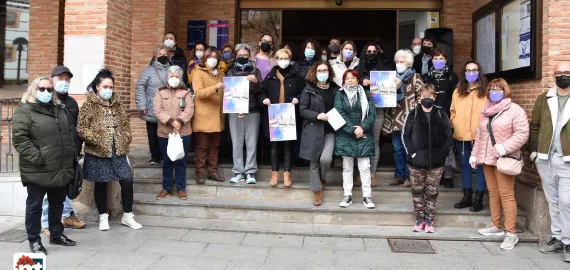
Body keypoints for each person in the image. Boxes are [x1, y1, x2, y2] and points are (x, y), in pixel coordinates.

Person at [13, 77, 77, 254]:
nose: (46, 92)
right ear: (34, 89)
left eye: (50, 90)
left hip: (60, 167)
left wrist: (72, 156)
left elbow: (68, 136)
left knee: (57, 204)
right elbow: (20, 139)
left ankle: (56, 234)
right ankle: (34, 239)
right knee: (35, 206)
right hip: (37, 168)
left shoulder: (60, 110)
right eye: (42, 89)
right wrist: (37, 157)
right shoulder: (24, 110)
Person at [78, 69, 142, 231]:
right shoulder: (89, 104)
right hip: (98, 150)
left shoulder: (118, 103)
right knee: (101, 183)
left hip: (118, 149)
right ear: (97, 87)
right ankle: (103, 217)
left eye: (111, 87)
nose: (109, 90)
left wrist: (126, 137)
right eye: (105, 86)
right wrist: (96, 140)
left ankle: (128, 216)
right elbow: (82, 128)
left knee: (127, 180)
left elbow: (126, 124)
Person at [470, 78, 529, 250]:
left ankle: (511, 233)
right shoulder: (486, 110)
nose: (494, 92)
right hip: (488, 159)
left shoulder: (514, 110)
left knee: (507, 195)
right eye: (492, 89)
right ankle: (496, 226)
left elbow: (522, 133)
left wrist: (504, 147)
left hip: (504, 158)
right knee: (493, 194)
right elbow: (480, 135)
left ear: (505, 91)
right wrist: (474, 155)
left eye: (498, 89)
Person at [530, 62, 570, 261]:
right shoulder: (543, 99)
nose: (563, 76)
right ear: (553, 75)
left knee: (566, 201)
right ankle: (557, 237)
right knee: (553, 200)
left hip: (567, 160)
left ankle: (568, 241)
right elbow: (534, 126)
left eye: (567, 73)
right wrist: (534, 153)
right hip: (546, 159)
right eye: (559, 73)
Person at [41, 66, 86, 238]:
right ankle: (46, 222)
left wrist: (78, 147)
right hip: (53, 153)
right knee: (50, 189)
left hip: (71, 151)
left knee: (67, 185)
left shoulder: (72, 103)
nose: (64, 82)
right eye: (60, 78)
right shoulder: (46, 101)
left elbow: (76, 127)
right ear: (51, 79)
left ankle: (67, 216)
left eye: (67, 79)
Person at [403, 84, 452, 233]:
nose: (426, 99)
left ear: (434, 97)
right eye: (424, 96)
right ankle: (419, 219)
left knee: (432, 192)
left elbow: (448, 136)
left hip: (436, 162)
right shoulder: (413, 114)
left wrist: (443, 154)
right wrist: (412, 153)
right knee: (417, 191)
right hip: (417, 162)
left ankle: (429, 219)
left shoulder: (441, 114)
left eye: (429, 96)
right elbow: (405, 136)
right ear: (420, 98)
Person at [259, 48, 304, 187]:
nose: (283, 61)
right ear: (276, 60)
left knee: (287, 146)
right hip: (274, 114)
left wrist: (298, 98)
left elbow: (304, 91)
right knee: (274, 146)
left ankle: (287, 174)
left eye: (286, 58)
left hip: (289, 115)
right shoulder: (271, 75)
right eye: (280, 58)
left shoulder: (296, 76)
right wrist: (264, 99)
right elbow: (261, 91)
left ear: (290, 59)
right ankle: (274, 174)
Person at [450, 61, 489, 212]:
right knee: (465, 167)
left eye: (474, 70)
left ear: (479, 72)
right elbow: (452, 111)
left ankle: (478, 199)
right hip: (462, 137)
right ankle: (466, 197)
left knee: (480, 167)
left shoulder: (486, 91)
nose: (471, 73)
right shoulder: (458, 91)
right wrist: (456, 125)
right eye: (468, 70)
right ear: (464, 72)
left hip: (481, 137)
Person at [299, 60, 339, 206]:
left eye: (325, 70)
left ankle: (322, 178)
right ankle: (317, 191)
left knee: (326, 159)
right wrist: (317, 115)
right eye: (320, 71)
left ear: (330, 72)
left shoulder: (336, 89)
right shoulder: (308, 89)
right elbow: (302, 110)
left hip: (330, 129)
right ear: (315, 73)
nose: (323, 73)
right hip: (313, 128)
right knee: (314, 160)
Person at [334, 69, 376, 209]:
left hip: (364, 133)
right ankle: (347, 196)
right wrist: (353, 129)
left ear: (358, 80)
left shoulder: (367, 94)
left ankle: (367, 197)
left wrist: (362, 128)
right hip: (346, 134)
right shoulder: (339, 94)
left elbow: (371, 115)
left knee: (365, 167)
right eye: (347, 78)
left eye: (353, 77)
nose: (350, 80)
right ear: (344, 81)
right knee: (347, 167)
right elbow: (338, 112)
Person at [383, 49, 424, 187]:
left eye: (402, 61)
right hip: (395, 118)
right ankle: (399, 175)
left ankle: (409, 176)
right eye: (397, 61)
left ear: (409, 63)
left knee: (409, 149)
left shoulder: (415, 77)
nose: (399, 64)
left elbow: (421, 97)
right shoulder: (390, 77)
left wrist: (414, 112)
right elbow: (383, 96)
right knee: (397, 148)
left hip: (410, 119)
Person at [154, 66, 194, 200]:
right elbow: (157, 110)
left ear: (181, 78)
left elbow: (189, 109)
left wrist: (180, 121)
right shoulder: (160, 92)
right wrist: (171, 121)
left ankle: (181, 189)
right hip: (165, 133)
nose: (174, 79)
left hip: (183, 132)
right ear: (167, 77)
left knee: (181, 162)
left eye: (177, 76)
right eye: (171, 76)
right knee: (167, 162)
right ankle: (167, 188)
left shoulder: (186, 92)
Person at [226, 44, 263, 184]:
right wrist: (237, 108)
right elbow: (230, 92)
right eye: (240, 55)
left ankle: (250, 172)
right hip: (235, 112)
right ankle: (238, 171)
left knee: (251, 143)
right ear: (236, 56)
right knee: (237, 143)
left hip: (253, 111)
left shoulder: (255, 71)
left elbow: (259, 89)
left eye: (245, 55)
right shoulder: (231, 71)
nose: (242, 57)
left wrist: (255, 81)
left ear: (249, 56)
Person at [422, 48, 459, 188]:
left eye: (441, 59)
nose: (438, 61)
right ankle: (433, 175)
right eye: (436, 59)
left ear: (446, 61)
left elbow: (456, 97)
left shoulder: (452, 76)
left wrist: (453, 115)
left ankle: (448, 175)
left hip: (446, 114)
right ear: (432, 61)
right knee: (430, 145)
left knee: (447, 145)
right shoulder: (426, 77)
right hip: (429, 115)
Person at [192, 46, 226, 183]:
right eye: (210, 57)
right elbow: (199, 93)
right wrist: (215, 88)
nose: (213, 59)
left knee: (214, 146)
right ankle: (199, 173)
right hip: (203, 116)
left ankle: (213, 172)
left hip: (218, 116)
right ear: (205, 58)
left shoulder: (221, 74)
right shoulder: (198, 72)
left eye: (215, 57)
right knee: (202, 147)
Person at [358, 42, 387, 187]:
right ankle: (360, 174)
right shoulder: (358, 69)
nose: (371, 53)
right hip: (360, 110)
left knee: (375, 141)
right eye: (368, 51)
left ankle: (372, 174)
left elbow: (390, 91)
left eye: (374, 51)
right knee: (361, 140)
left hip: (378, 109)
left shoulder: (384, 69)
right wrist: (361, 82)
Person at [136, 45, 170, 165]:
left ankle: (165, 156)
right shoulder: (148, 70)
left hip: (169, 107)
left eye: (165, 54)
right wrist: (142, 106)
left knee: (167, 132)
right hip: (152, 106)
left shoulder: (172, 69)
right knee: (153, 133)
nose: (163, 56)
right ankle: (155, 157)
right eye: (160, 55)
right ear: (155, 56)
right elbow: (140, 87)